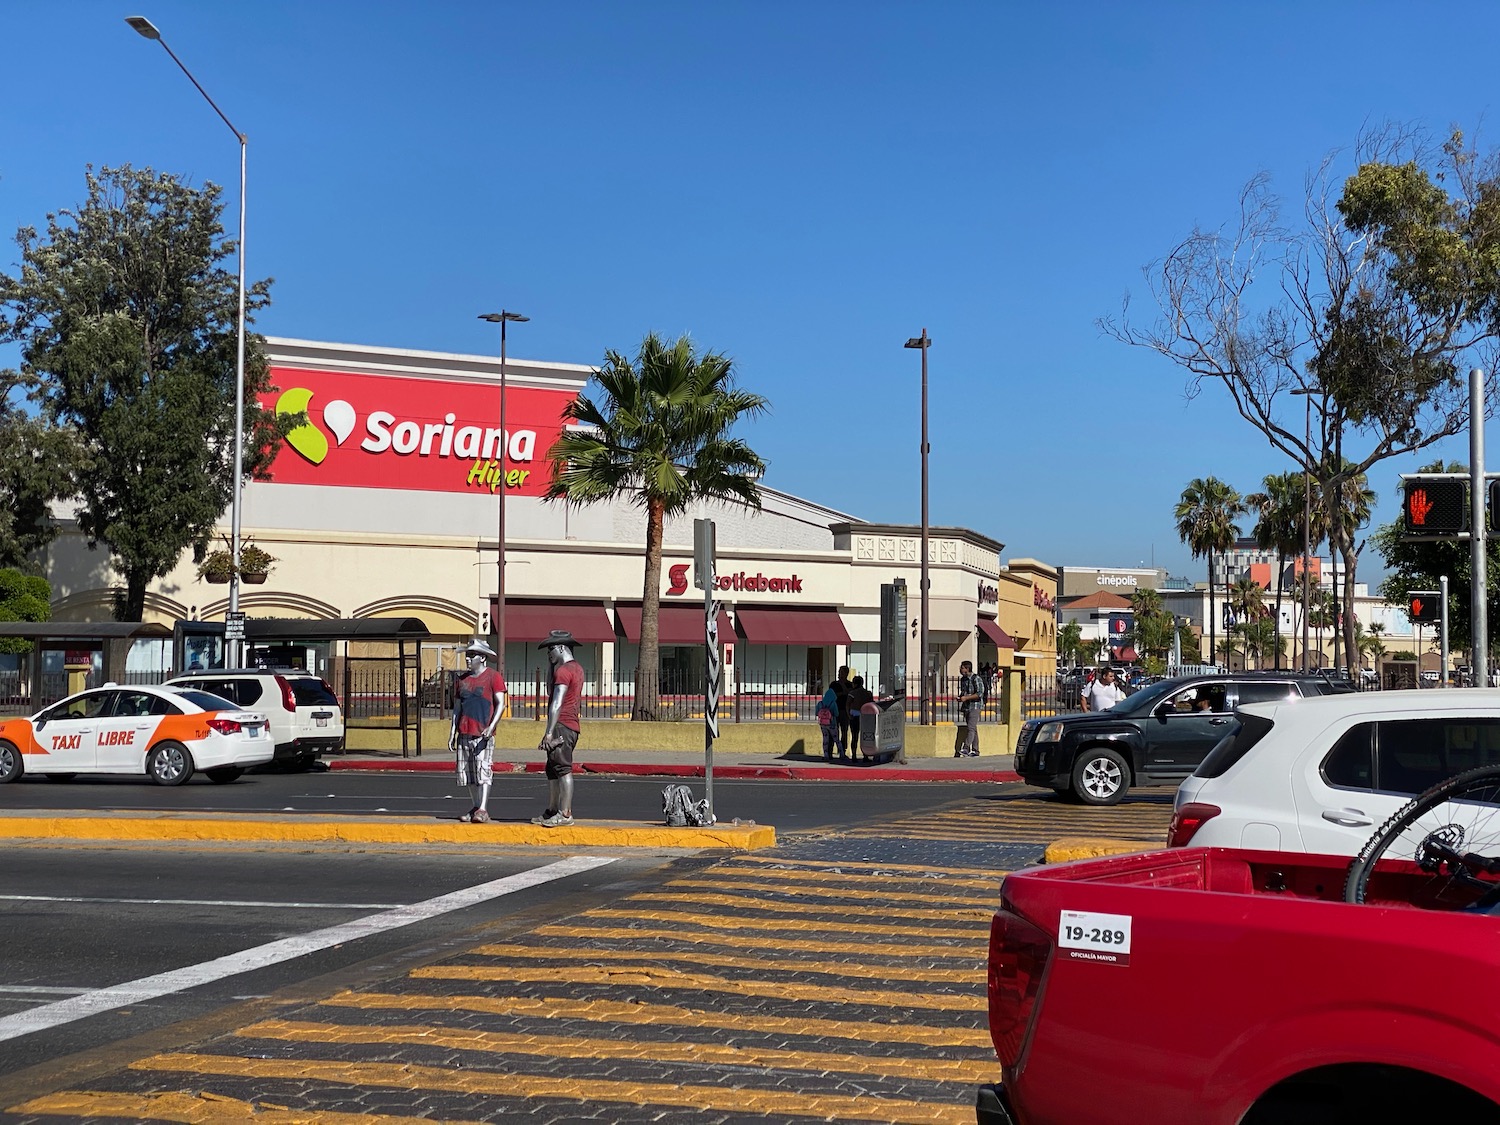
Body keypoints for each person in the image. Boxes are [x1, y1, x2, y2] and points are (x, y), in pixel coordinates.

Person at [449, 638, 507, 824]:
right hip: (464, 731)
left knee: (483, 770)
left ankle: (483, 808)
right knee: (468, 773)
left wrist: (491, 726)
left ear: (482, 658)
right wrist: (452, 731)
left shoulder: (493, 677)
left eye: (472, 655)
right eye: (468, 655)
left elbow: (501, 704)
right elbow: (457, 707)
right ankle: (475, 806)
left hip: (483, 733)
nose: (468, 658)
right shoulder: (462, 680)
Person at [533, 629, 583, 827]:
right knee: (552, 769)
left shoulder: (564, 671)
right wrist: (550, 664)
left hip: (562, 725)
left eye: (551, 649)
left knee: (562, 769)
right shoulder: (575, 668)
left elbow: (556, 702)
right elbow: (549, 689)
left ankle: (565, 813)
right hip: (569, 726)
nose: (549, 653)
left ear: (562, 647)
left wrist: (548, 732)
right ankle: (552, 810)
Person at [956, 659, 985, 757]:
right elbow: (964, 692)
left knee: (971, 728)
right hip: (967, 707)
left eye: (962, 667)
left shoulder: (976, 679)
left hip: (975, 706)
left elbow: (980, 693)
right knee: (973, 728)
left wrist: (967, 698)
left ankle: (966, 748)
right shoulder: (963, 679)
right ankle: (976, 750)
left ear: (967, 669)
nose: (960, 669)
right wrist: (961, 698)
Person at [845, 674, 874, 759]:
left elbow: (847, 705)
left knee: (854, 736)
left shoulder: (852, 693)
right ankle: (865, 756)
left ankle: (854, 755)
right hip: (865, 716)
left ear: (855, 684)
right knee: (865, 737)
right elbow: (871, 703)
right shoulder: (868, 693)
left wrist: (849, 715)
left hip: (854, 715)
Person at [832, 665, 854, 757]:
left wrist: (842, 685)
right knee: (833, 731)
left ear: (846, 674)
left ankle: (842, 750)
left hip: (844, 710)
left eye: (841, 672)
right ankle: (830, 750)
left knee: (844, 731)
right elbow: (832, 695)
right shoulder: (834, 684)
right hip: (835, 710)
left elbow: (850, 694)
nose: (839, 674)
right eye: (839, 672)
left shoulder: (850, 684)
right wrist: (842, 692)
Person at [817, 682, 841, 761]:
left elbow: (817, 713)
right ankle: (841, 754)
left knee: (825, 739)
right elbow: (836, 714)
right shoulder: (833, 703)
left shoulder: (820, 703)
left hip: (822, 724)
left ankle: (826, 754)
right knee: (836, 739)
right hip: (832, 723)